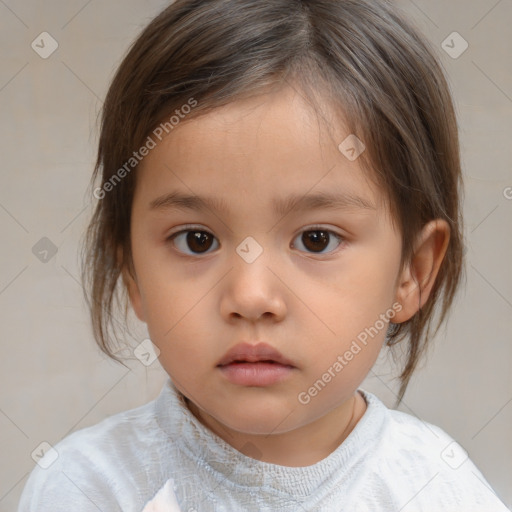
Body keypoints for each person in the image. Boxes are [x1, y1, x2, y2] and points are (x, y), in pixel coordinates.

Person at [18, 0, 511, 510]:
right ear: (132, 272)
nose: (251, 297)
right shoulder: (85, 488)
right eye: (197, 240)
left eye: (316, 239)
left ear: (413, 271)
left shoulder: (439, 491)